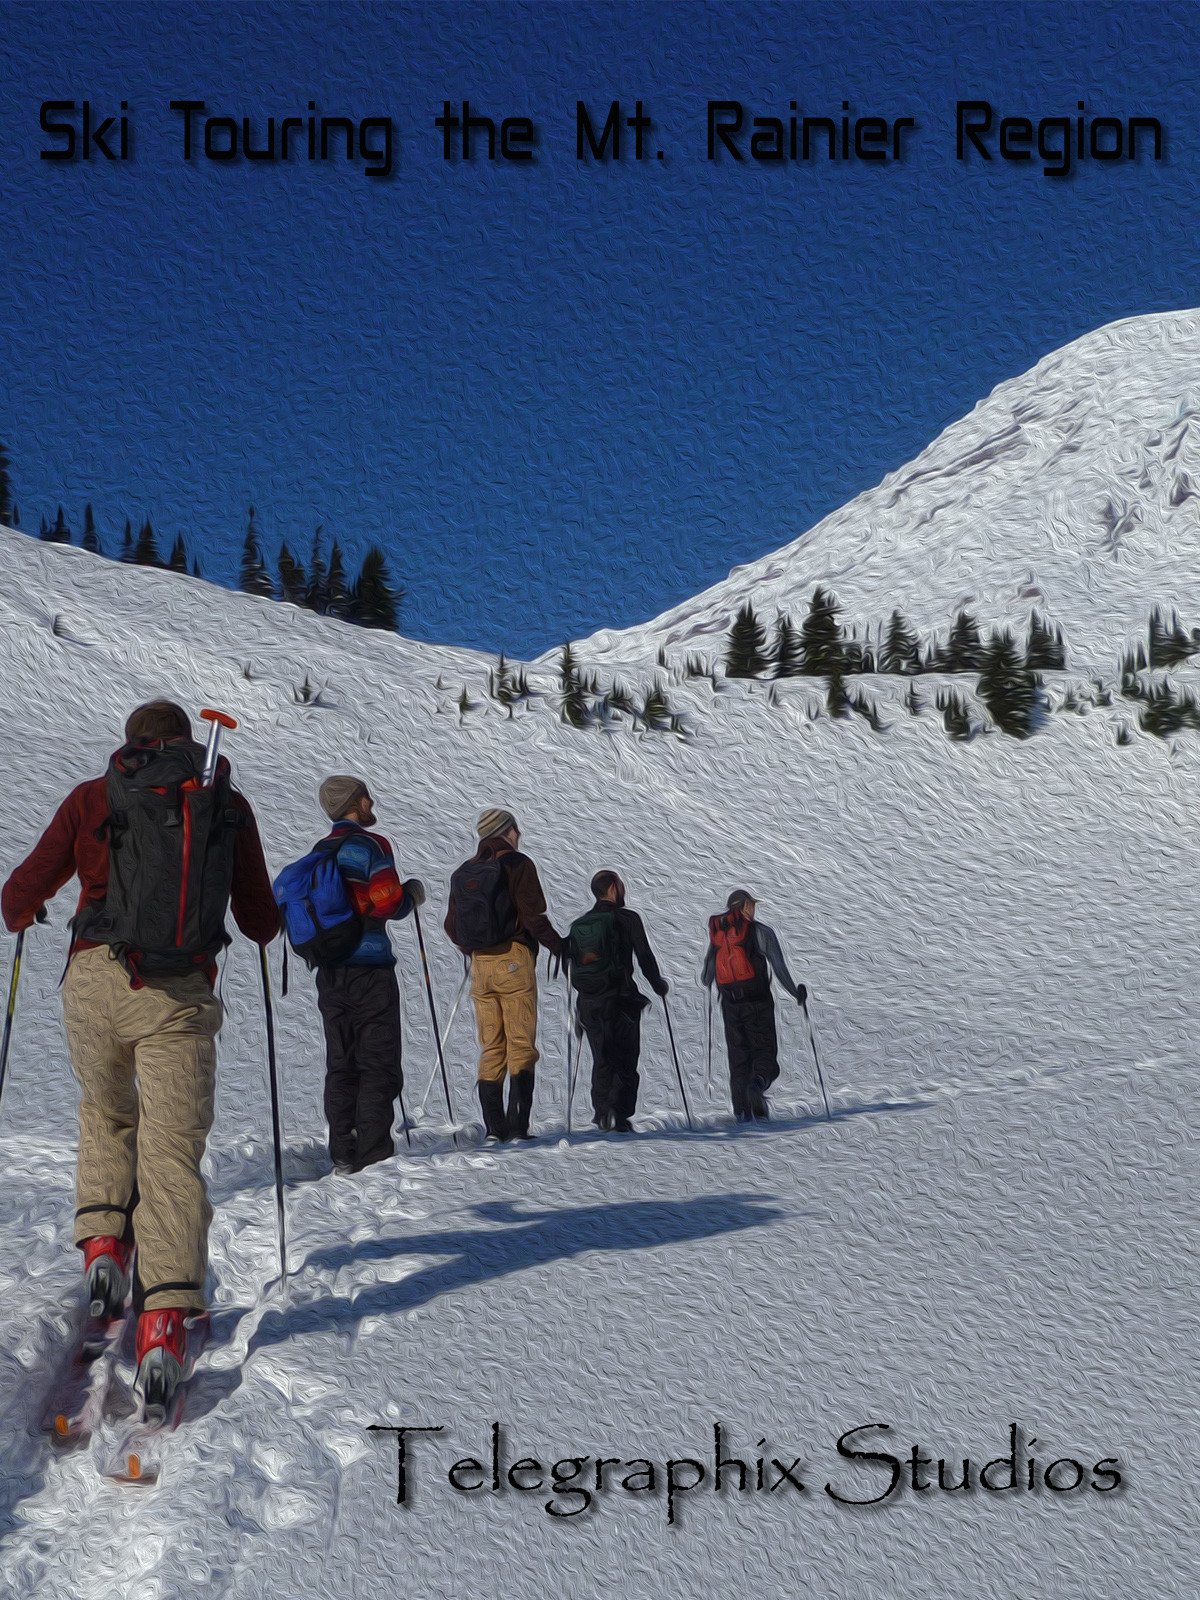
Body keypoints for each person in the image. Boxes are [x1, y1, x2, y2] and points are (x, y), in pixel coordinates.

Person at [0, 700, 279, 1407]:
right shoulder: (221, 800)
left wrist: (23, 911)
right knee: (170, 1153)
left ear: (132, 744)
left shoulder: (96, 795)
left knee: (106, 1112)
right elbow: (258, 918)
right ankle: (164, 1321)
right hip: (178, 993)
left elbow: (22, 889)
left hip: (94, 979)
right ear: (186, 742)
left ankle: (103, 1247)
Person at [311, 776, 425, 1174]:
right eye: (366, 796)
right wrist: (412, 895)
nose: (372, 801)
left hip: (329, 972)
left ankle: (343, 1149)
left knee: (341, 1061)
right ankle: (374, 1153)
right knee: (377, 1061)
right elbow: (387, 901)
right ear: (355, 804)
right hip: (371, 969)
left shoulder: (320, 851)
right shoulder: (370, 845)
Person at [444, 808, 564, 1142]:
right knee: (521, 1044)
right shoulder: (517, 863)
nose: (520, 834)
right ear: (506, 831)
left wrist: (475, 949)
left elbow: (451, 927)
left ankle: (494, 1129)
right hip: (514, 959)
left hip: (480, 966)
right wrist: (560, 947)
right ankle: (517, 1127)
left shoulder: (465, 871)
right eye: (516, 828)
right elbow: (533, 915)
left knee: (492, 1045)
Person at [567, 870, 669, 1133]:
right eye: (621, 884)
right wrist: (657, 983)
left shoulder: (581, 924)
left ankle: (602, 1113)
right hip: (620, 999)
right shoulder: (628, 919)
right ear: (613, 888)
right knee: (624, 1058)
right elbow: (644, 956)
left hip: (589, 1003)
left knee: (602, 1057)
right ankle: (618, 1114)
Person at [702, 889, 806, 1122]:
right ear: (745, 907)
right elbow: (779, 968)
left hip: (730, 1006)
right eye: (752, 904)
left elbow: (706, 977)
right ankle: (757, 1087)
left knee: (739, 1059)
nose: (754, 908)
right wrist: (795, 992)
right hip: (758, 1003)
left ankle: (742, 1112)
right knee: (764, 1055)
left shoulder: (718, 936)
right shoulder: (761, 932)